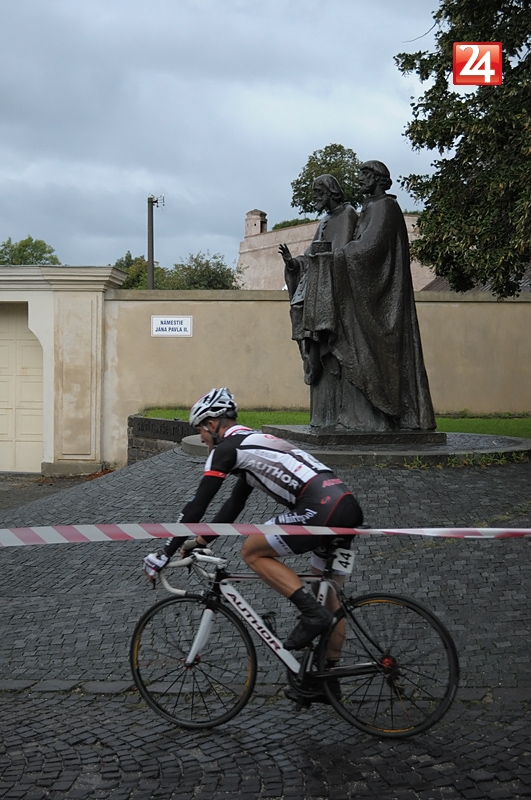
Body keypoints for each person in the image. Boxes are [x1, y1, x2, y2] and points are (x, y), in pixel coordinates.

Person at [143, 387, 363, 662]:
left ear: (211, 424)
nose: (201, 438)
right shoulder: (253, 441)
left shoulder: (226, 449)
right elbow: (234, 505)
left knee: (251, 551)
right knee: (329, 600)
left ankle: (311, 614)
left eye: (199, 430)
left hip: (320, 509)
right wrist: (199, 541)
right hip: (346, 507)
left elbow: (197, 506)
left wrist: (163, 553)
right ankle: (328, 676)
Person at [327, 160, 436, 431]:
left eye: (365, 175)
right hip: (371, 292)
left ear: (377, 178)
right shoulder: (370, 207)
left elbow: (370, 248)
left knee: (378, 353)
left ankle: (387, 412)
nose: (360, 180)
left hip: (384, 298)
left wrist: (338, 255)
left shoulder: (385, 207)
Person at [279, 175, 358, 427]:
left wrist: (320, 259)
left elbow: (341, 254)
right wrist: (293, 263)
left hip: (333, 292)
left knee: (321, 337)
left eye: (318, 192)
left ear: (331, 191)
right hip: (316, 288)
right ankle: (311, 362)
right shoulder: (324, 220)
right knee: (301, 317)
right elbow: (311, 254)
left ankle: (317, 363)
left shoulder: (347, 214)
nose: (315, 197)